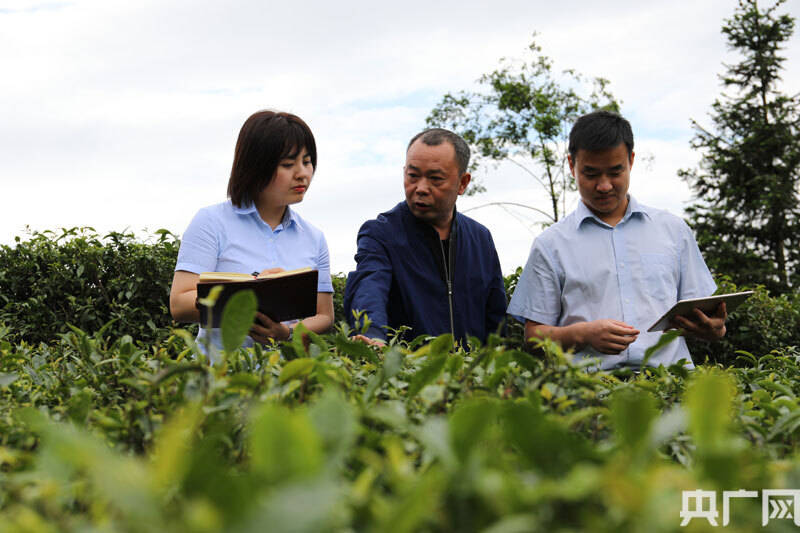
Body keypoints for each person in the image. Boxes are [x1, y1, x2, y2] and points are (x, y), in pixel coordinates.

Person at [507, 110, 726, 370]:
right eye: (590, 174)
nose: (604, 186)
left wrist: (714, 329)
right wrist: (583, 334)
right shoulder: (551, 244)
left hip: (670, 385)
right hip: (588, 391)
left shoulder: (673, 231)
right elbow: (533, 337)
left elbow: (709, 321)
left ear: (631, 161)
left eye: (615, 172)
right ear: (571, 166)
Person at [170, 110, 334, 354]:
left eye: (307, 161)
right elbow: (179, 303)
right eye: (288, 164)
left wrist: (286, 333)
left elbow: (324, 315)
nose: (302, 173)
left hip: (288, 381)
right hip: (221, 379)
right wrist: (248, 294)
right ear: (256, 167)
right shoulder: (211, 222)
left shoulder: (313, 238)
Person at [343, 128, 507, 346]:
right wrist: (373, 336)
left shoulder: (480, 239)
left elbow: (496, 321)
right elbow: (369, 288)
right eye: (412, 176)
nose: (420, 188)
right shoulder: (381, 234)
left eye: (435, 179)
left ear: (463, 183)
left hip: (469, 375)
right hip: (407, 374)